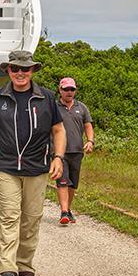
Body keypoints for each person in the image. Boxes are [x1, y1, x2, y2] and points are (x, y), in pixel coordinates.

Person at [0, 50, 66, 276]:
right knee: (9, 216)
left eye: (25, 69)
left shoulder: (46, 98)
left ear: (32, 71)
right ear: (7, 70)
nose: (20, 73)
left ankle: (25, 266)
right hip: (6, 167)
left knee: (31, 219)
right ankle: (7, 268)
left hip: (37, 167)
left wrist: (58, 158)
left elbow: (58, 130)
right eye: (15, 68)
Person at [55, 77, 94, 225]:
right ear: (60, 90)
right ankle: (64, 212)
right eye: (66, 89)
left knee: (73, 184)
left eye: (72, 89)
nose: (69, 92)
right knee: (63, 181)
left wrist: (90, 141)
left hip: (77, 150)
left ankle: (68, 209)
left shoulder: (82, 107)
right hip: (59, 153)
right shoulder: (54, 107)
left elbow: (88, 125)